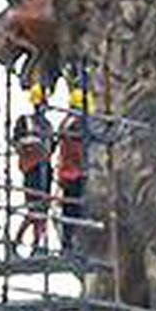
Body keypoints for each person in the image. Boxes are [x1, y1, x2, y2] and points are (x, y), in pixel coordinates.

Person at [13, 84, 56, 255]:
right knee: (34, 209)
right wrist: (33, 143)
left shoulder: (48, 125)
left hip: (45, 167)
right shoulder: (25, 121)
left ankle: (38, 246)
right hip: (31, 168)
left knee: (43, 209)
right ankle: (15, 243)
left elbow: (52, 146)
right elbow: (16, 142)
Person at [57, 88, 92, 253]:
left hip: (67, 172)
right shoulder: (76, 124)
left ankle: (68, 244)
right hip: (74, 173)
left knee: (70, 210)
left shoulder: (66, 121)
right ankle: (71, 245)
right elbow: (76, 149)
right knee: (75, 210)